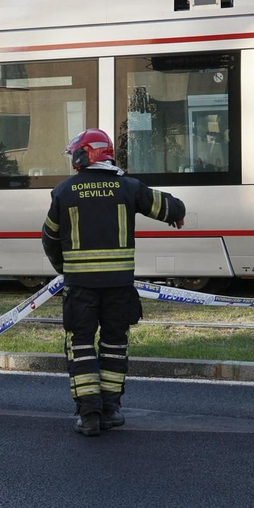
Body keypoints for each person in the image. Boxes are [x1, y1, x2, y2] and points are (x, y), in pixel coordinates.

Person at [41, 128, 186, 436]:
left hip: (80, 288)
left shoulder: (64, 192)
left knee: (80, 345)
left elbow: (50, 237)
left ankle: (89, 415)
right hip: (120, 288)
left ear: (83, 155)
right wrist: (175, 214)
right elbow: (173, 207)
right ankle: (111, 410)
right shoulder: (128, 188)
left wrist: (63, 267)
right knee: (114, 345)